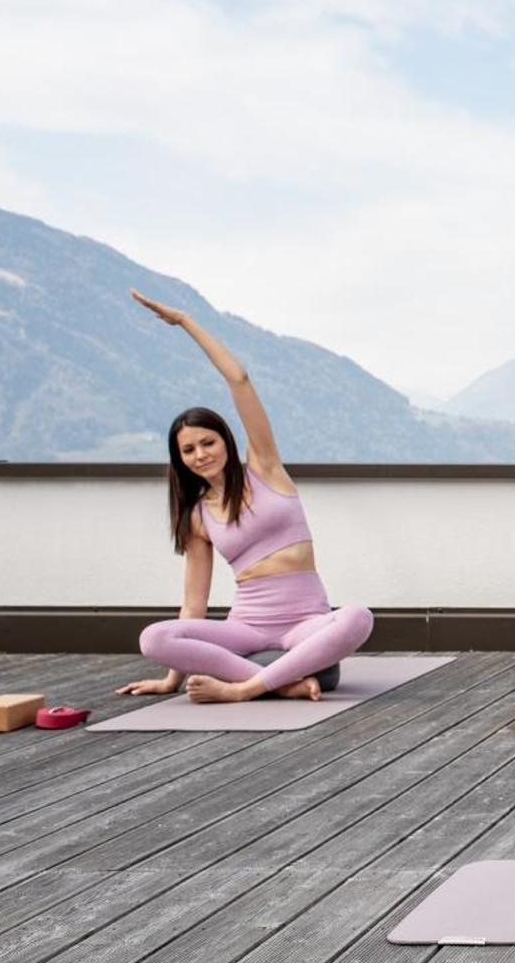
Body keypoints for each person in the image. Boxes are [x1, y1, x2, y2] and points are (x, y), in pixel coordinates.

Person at [116, 291, 374, 704]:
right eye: (188, 450)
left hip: (305, 622)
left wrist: (185, 322)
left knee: (359, 617)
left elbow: (239, 379)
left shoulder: (265, 468)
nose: (201, 454)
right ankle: (283, 682)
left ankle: (246, 688)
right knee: (154, 636)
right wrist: (170, 681)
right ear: (179, 460)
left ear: (225, 441)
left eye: (208, 442)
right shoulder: (197, 516)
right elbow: (194, 605)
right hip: (248, 628)